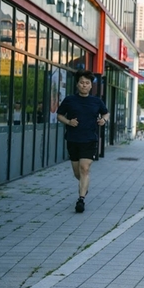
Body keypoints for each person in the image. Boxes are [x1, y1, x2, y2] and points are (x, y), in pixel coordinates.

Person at [56, 70, 109, 213]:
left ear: (91, 86)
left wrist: (103, 120)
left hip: (89, 139)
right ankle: (84, 186)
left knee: (84, 168)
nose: (84, 85)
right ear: (77, 84)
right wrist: (68, 121)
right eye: (82, 83)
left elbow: (106, 112)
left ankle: (81, 199)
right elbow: (59, 115)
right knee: (77, 172)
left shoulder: (96, 101)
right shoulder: (69, 100)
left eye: (87, 83)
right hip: (73, 139)